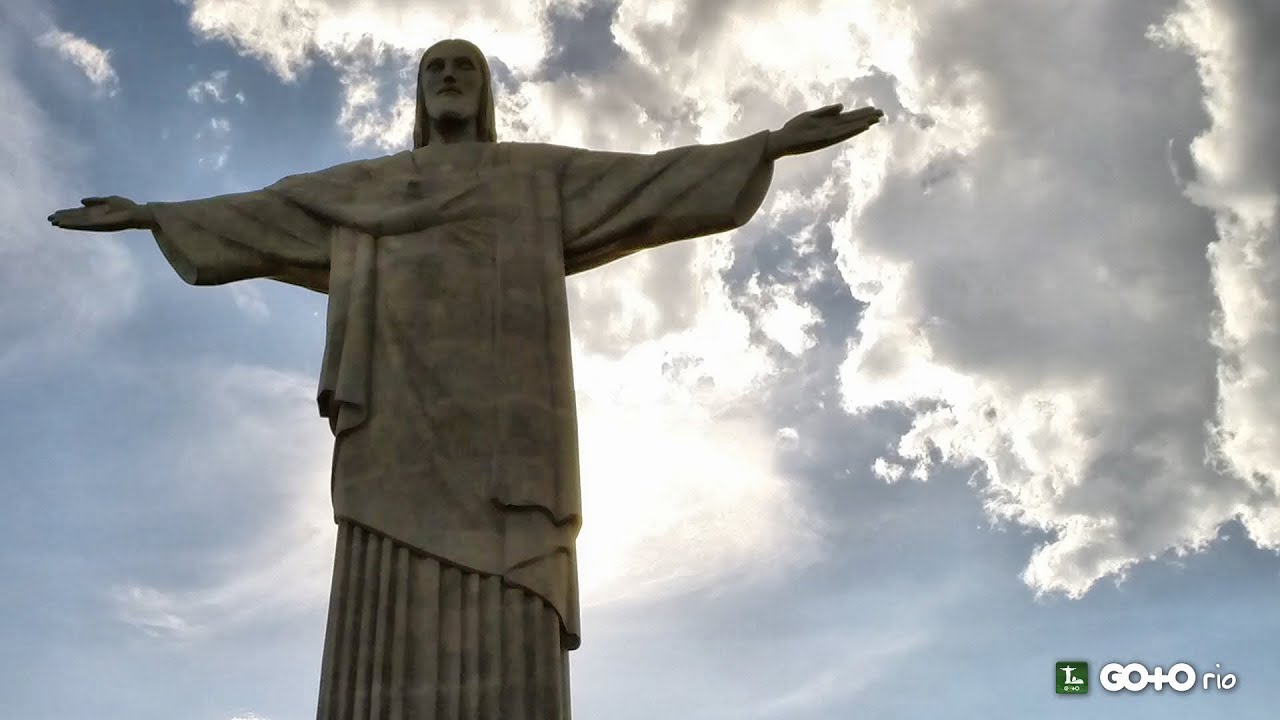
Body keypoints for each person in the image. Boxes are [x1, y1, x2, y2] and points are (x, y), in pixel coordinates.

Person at [49, 38, 883, 720]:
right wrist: (156, 214)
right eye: (434, 70)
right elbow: (264, 215)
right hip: (393, 431)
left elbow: (649, 180)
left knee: (512, 577)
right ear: (418, 94)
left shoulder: (532, 175)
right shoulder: (365, 189)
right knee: (381, 596)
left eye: (465, 68)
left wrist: (765, 146)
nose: (449, 79)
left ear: (484, 92)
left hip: (508, 436)